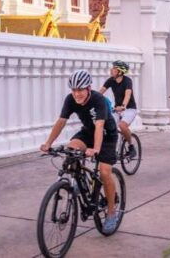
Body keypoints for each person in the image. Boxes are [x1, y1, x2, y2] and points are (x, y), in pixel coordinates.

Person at [40, 70, 122, 233]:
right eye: (74, 90)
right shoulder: (70, 100)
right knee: (71, 150)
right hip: (87, 132)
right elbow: (61, 121)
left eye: (80, 90)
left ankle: (112, 213)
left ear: (88, 88)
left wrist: (96, 149)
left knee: (105, 172)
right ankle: (78, 182)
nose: (77, 94)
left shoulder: (98, 100)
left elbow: (99, 126)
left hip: (107, 136)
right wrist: (48, 143)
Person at [99, 60, 138, 159]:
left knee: (122, 125)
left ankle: (131, 146)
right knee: (109, 127)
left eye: (114, 69)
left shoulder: (127, 81)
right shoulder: (110, 80)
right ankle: (113, 150)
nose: (111, 70)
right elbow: (100, 93)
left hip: (129, 108)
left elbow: (128, 94)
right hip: (116, 109)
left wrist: (123, 105)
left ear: (120, 71)